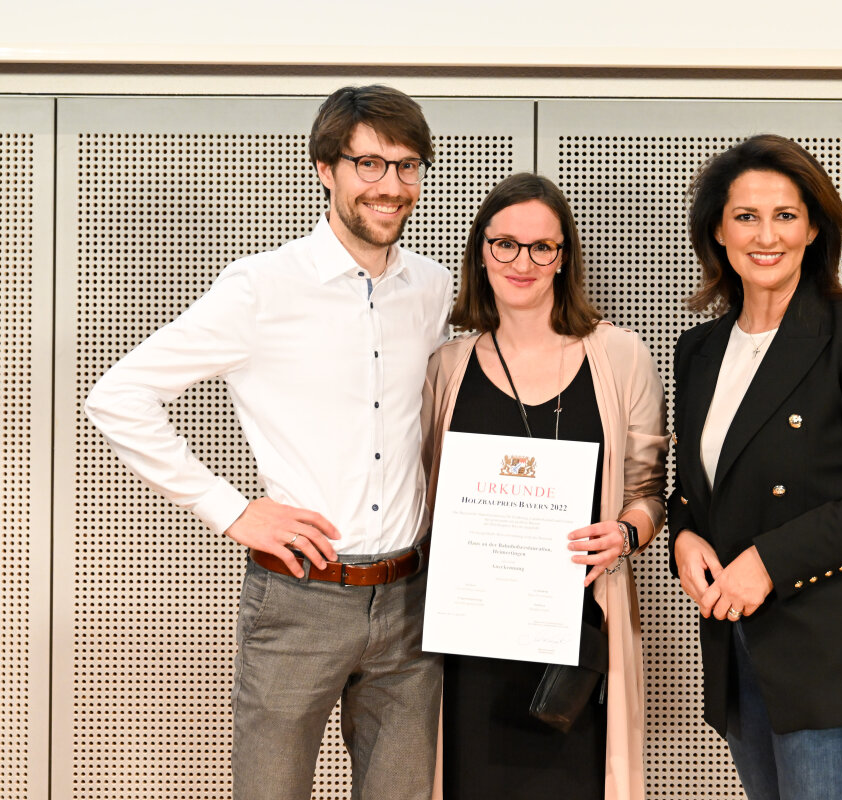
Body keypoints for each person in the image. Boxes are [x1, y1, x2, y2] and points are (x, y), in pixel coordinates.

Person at [83, 85, 453, 800]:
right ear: (326, 168)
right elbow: (119, 396)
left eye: (408, 167)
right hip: (298, 599)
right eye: (369, 165)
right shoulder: (260, 286)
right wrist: (232, 510)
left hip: (413, 602)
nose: (392, 186)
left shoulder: (433, 288)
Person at [667, 134, 842, 800]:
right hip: (742, 648)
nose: (768, 235)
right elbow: (702, 483)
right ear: (718, 232)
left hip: (838, 651)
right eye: (747, 216)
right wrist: (683, 533)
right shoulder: (699, 349)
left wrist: (768, 561)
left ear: (814, 228)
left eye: (786, 215)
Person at [422, 172, 668, 800]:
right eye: (505, 244)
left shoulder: (619, 356)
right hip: (468, 649)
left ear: (564, 258)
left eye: (542, 247)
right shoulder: (446, 367)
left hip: (576, 649)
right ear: (481, 252)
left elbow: (649, 494)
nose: (522, 262)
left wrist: (625, 533)